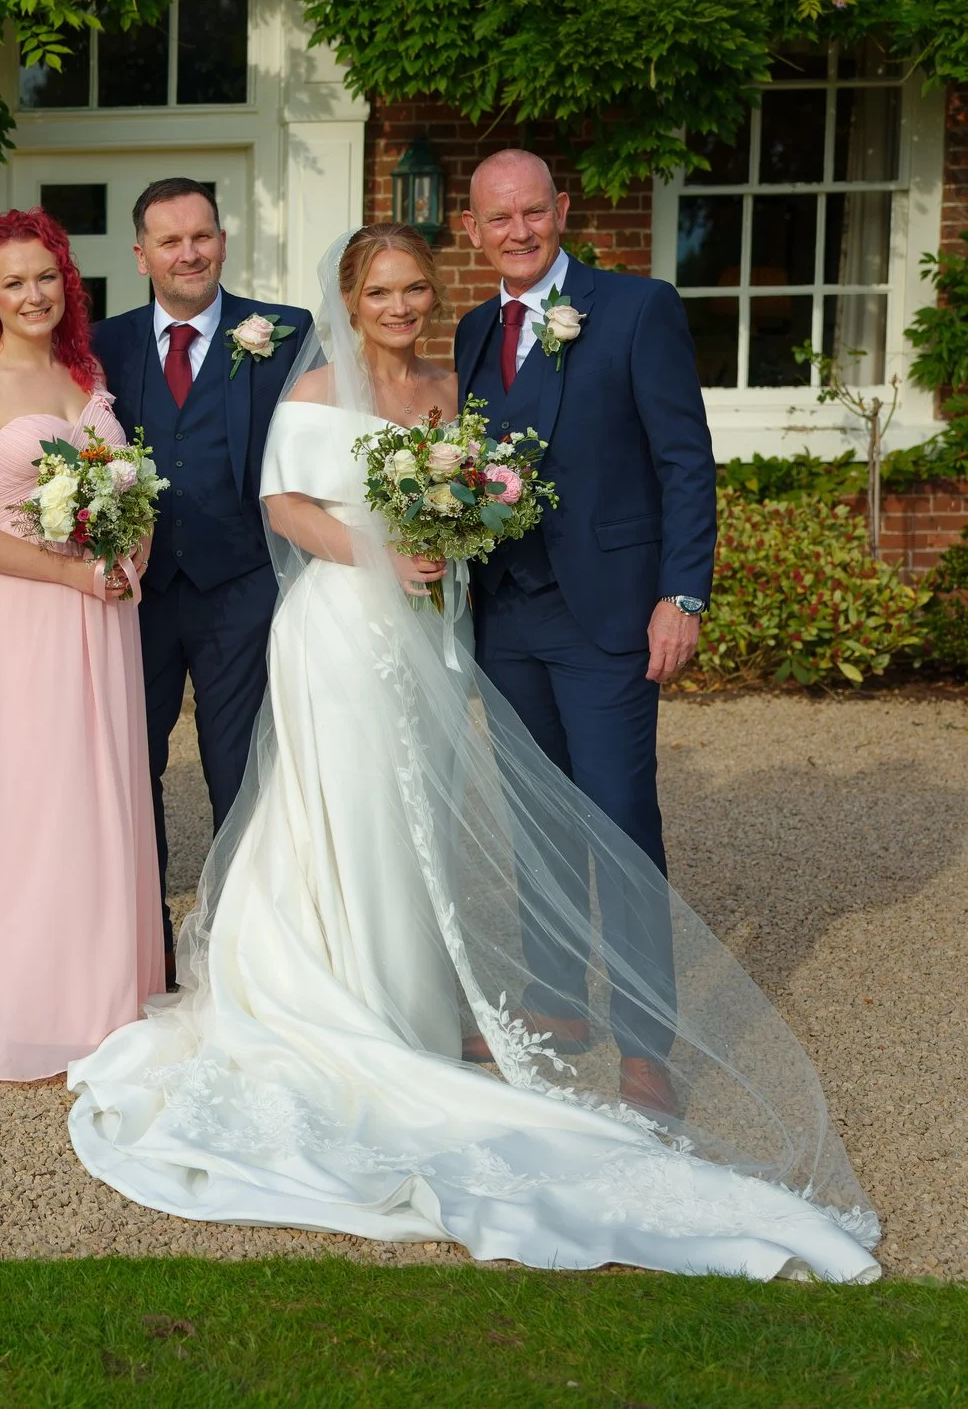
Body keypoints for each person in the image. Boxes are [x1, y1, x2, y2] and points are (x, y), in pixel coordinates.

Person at [64, 224, 881, 1282]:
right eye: (382, 292)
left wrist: (454, 534)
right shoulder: (312, 388)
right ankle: (347, 995)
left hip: (434, 636)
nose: (401, 306)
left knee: (424, 819)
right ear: (349, 300)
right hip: (344, 632)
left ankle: (417, 996)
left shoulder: (459, 389)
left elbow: (489, 499)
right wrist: (382, 548)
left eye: (414, 288)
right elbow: (283, 505)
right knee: (351, 809)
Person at [454, 149, 716, 1113]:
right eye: (499, 218)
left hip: (609, 615)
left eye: (533, 212)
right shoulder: (476, 328)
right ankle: (558, 1001)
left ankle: (648, 1043)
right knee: (537, 819)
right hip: (506, 614)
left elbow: (687, 460)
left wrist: (681, 594)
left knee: (619, 826)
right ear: (471, 230)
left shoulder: (638, 308)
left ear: (562, 210)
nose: (518, 231)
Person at [0, 211, 164, 1081]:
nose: (34, 294)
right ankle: (29, 1001)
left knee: (104, 789)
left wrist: (131, 545)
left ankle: (106, 995)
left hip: (106, 615)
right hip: (31, 613)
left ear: (68, 281)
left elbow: (125, 487)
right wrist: (66, 574)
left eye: (46, 277)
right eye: (13, 282)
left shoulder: (86, 371)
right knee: (37, 795)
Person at [88, 180, 313, 982]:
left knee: (240, 770)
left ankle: (244, 945)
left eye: (204, 236)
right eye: (170, 239)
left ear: (223, 239)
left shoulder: (285, 334)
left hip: (241, 591)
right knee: (128, 763)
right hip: (134, 598)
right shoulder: (99, 341)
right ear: (140, 252)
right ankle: (143, 939)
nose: (190, 252)